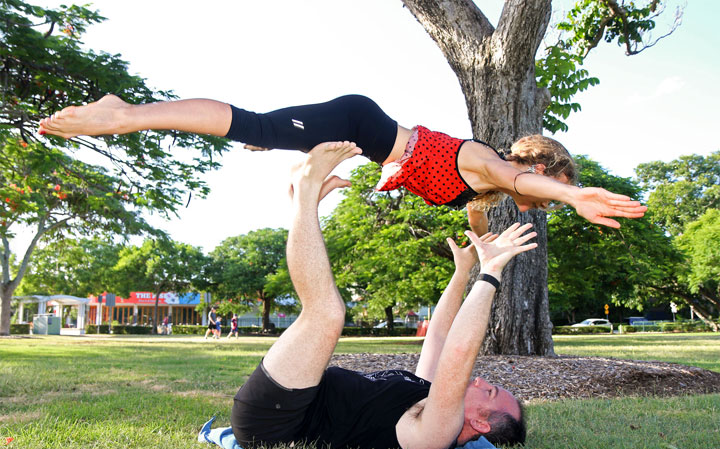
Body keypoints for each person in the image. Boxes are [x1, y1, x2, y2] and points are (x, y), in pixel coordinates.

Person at [230, 140, 533, 449]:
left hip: (275, 423)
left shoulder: (435, 434)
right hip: (297, 397)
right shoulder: (427, 395)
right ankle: (302, 199)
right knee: (327, 313)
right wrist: (463, 271)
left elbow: (459, 350)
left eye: (491, 392)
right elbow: (440, 337)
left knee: (327, 314)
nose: (483, 381)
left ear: (481, 423)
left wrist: (491, 272)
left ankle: (305, 190)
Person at [38, 94, 646, 235]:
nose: (542, 199)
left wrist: (480, 254)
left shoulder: (482, 193)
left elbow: (484, 214)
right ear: (547, 171)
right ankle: (126, 114)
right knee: (258, 126)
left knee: (264, 133)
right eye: (554, 186)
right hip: (362, 123)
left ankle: (273, 139)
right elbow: (520, 181)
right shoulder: (491, 165)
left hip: (360, 138)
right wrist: (576, 196)